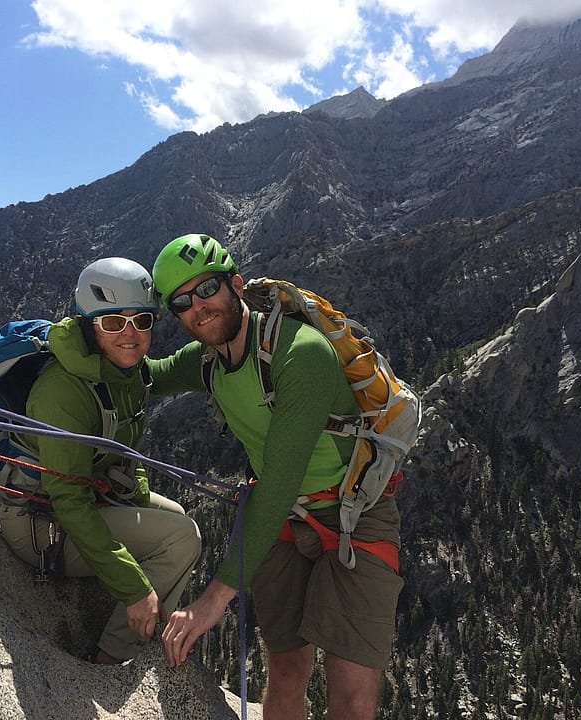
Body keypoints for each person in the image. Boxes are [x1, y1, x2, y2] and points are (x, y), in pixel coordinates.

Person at [149, 234, 403, 720]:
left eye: (207, 289)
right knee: (285, 673)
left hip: (355, 515)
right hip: (282, 523)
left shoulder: (300, 353)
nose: (198, 307)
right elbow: (145, 374)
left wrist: (213, 600)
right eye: (182, 302)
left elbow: (282, 482)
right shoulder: (208, 362)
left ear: (236, 284)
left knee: (352, 701)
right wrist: (73, 341)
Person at [0, 257, 202, 665]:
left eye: (141, 320)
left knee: (176, 516)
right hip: (42, 525)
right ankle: (112, 660)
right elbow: (68, 500)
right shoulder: (64, 392)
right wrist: (133, 588)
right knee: (183, 537)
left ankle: (140, 626)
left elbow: (169, 374)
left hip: (82, 497)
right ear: (89, 325)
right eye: (113, 322)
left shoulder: (123, 371)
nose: (130, 334)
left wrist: (234, 331)